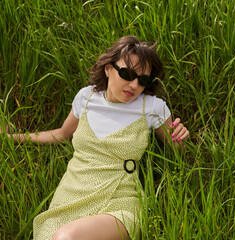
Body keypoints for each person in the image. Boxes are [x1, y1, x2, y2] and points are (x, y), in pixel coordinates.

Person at [1, 36, 189, 240]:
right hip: (70, 197)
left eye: (143, 80)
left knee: (65, 238)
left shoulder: (152, 107)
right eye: (127, 74)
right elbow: (62, 134)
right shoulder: (86, 97)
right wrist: (13, 137)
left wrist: (180, 140)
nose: (134, 85)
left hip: (119, 201)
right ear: (108, 69)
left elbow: (176, 153)